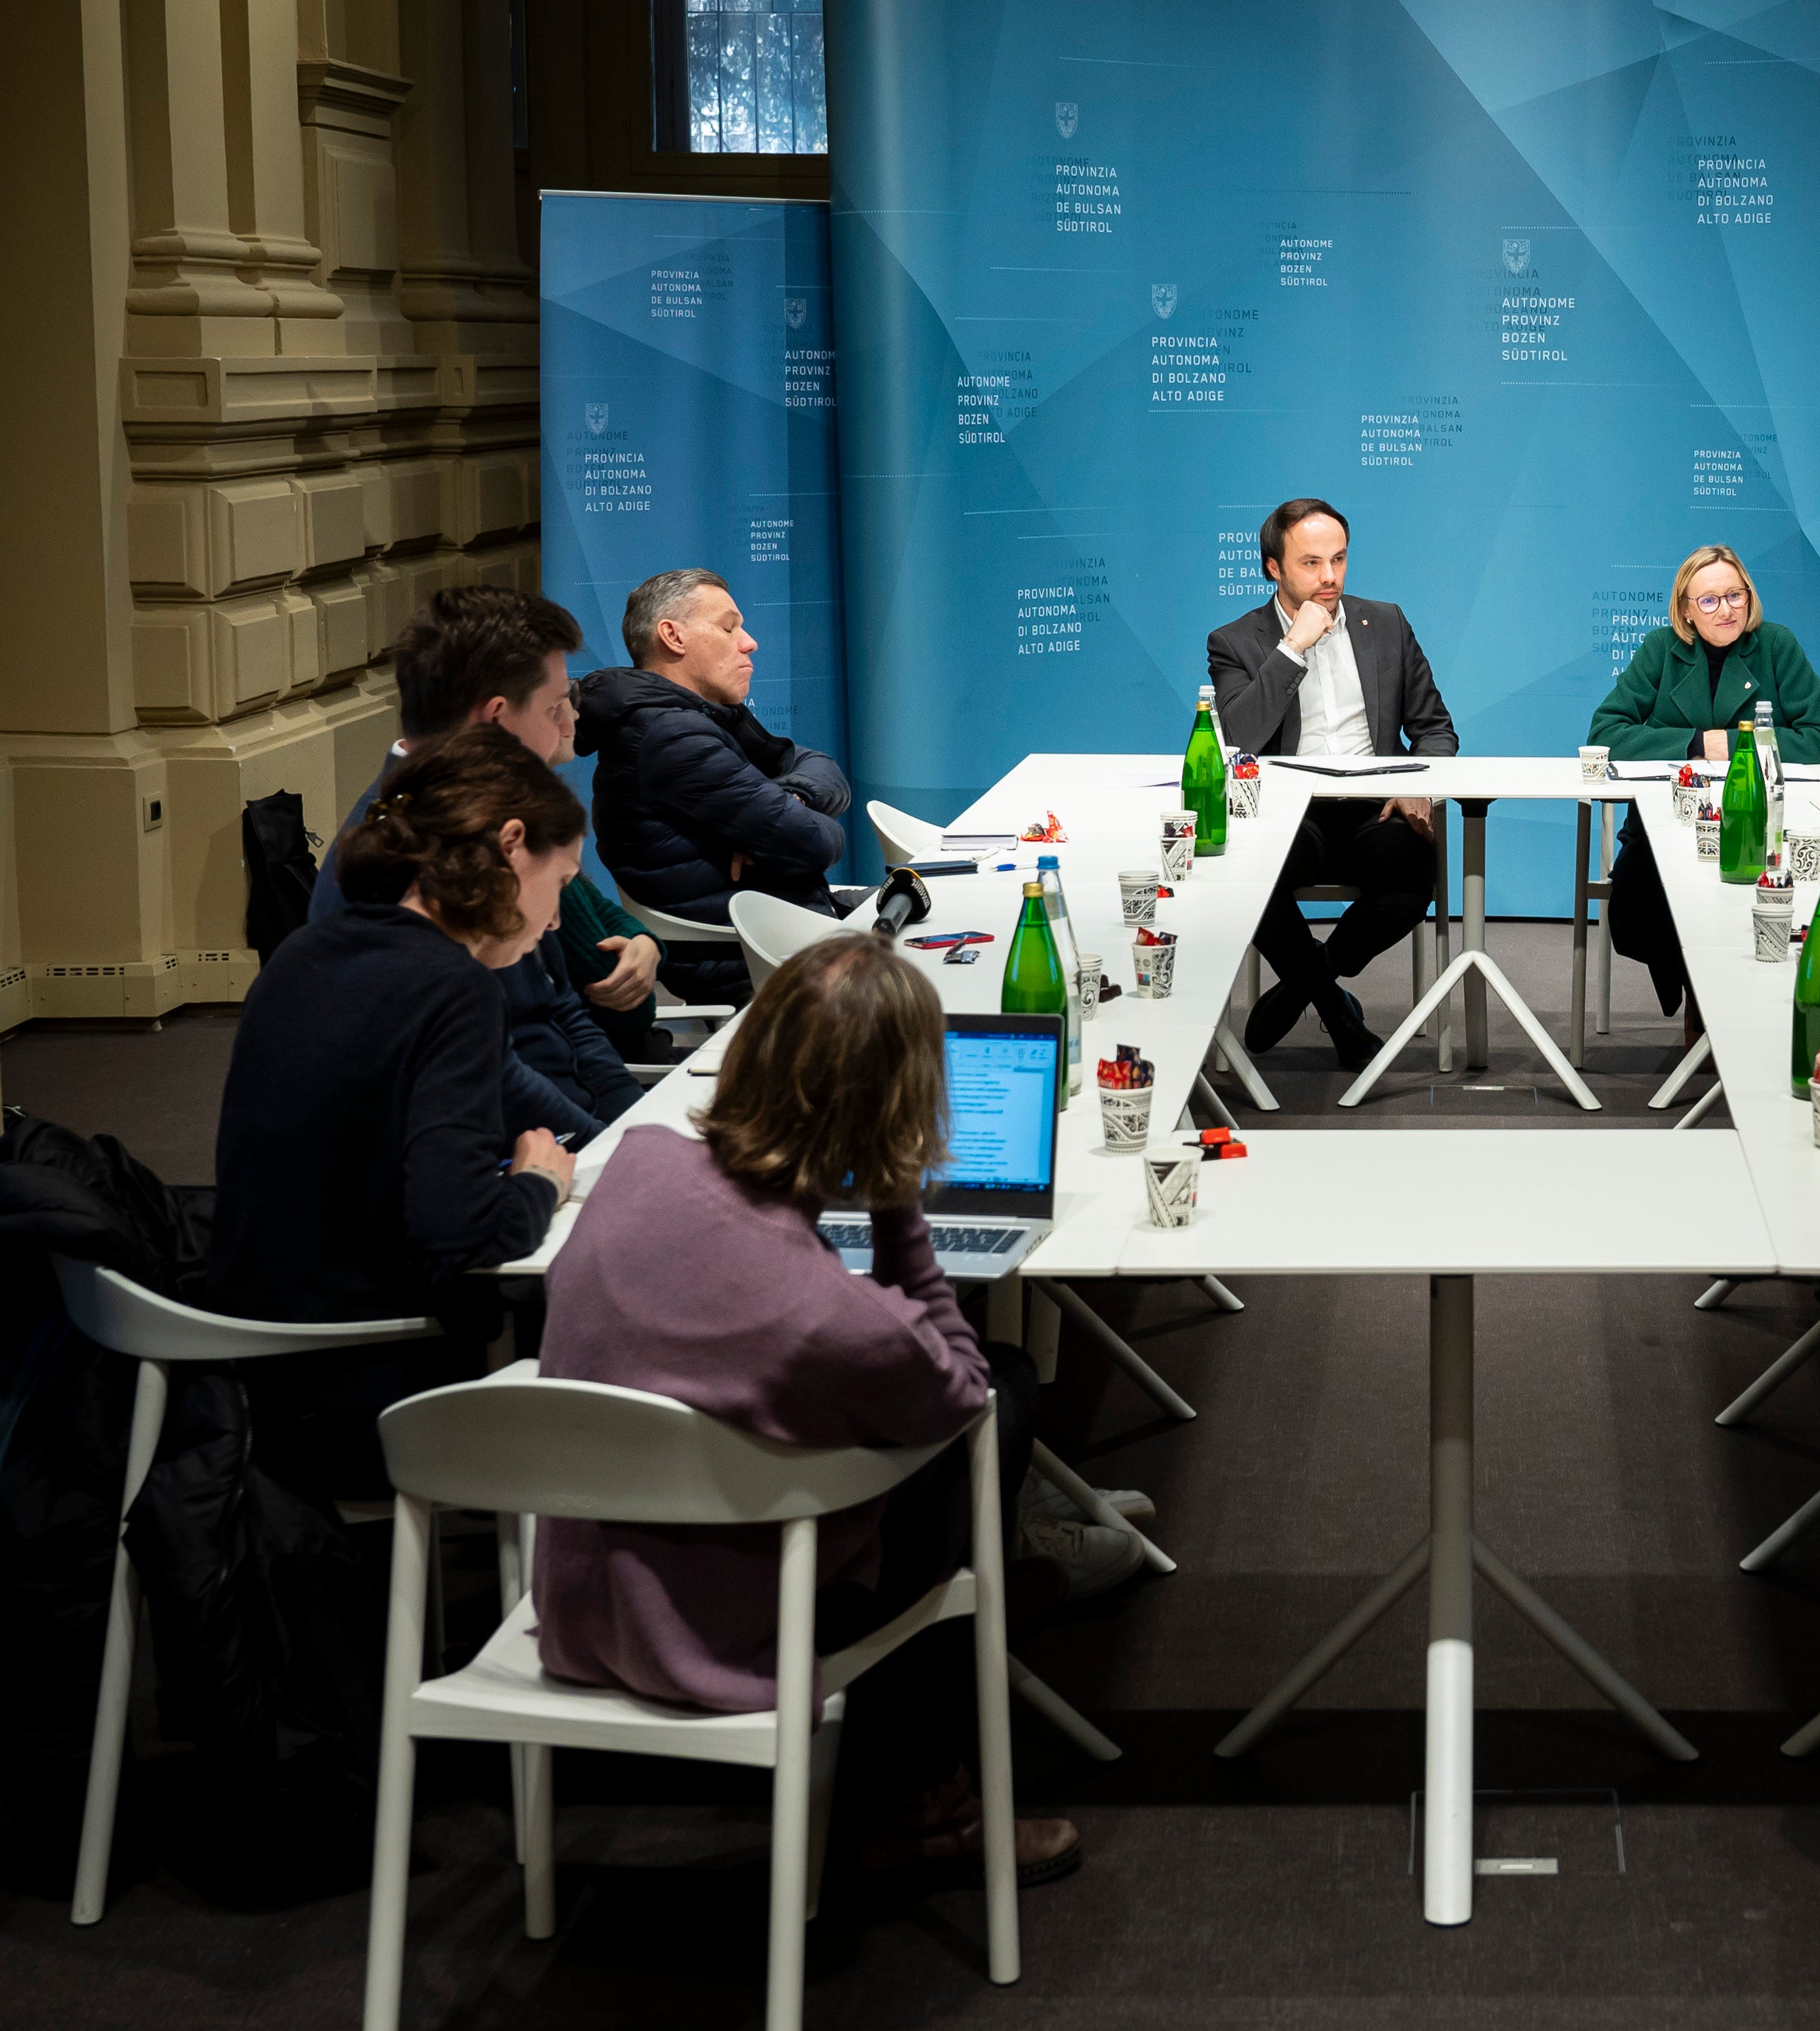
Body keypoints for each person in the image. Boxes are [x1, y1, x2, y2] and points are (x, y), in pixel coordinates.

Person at [535, 933, 1129, 1885]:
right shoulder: (830, 1317)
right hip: (722, 1634)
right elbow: (957, 1385)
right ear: (898, 1115)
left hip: (582, 1601)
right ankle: (923, 1803)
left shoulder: (639, 1163)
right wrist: (898, 1205)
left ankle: (991, 1592)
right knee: (1004, 1394)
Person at [202, 727, 582, 1499]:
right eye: (561, 883)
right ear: (513, 846)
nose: (553, 921)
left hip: (240, 1366)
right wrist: (539, 1182)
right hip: (364, 1383)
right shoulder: (454, 989)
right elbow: (461, 1232)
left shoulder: (304, 955)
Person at [313, 586, 653, 1143]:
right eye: (553, 707)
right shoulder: (395, 864)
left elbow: (559, 1004)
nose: (568, 724)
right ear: (496, 720)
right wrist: (618, 1152)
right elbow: (494, 1079)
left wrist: (636, 1126)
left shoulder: (491, 825)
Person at [1209, 498, 1458, 1067]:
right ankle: (1339, 1013)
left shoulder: (1386, 622)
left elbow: (1436, 729)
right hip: (1291, 812)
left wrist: (1418, 785)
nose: (1329, 577)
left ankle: (1307, 984)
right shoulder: (1235, 641)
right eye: (1311, 563)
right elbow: (1241, 735)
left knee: (1413, 874)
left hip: (1377, 805)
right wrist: (1292, 647)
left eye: (1339, 560)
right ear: (1274, 567)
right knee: (1250, 877)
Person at [1586, 543, 1820, 1026]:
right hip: (1667, 824)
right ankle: (1702, 1008)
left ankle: (1729, 1017)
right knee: (1637, 905)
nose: (1725, 610)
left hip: (1761, 827)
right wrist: (1699, 744)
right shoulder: (1663, 649)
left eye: (1735, 596)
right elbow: (1606, 734)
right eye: (1709, 600)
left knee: (1744, 907)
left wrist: (1744, 743)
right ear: (1686, 609)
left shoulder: (1776, 646)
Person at [575, 568, 853, 998]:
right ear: (674, 637)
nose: (749, 642)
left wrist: (791, 796)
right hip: (757, 962)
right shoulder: (673, 737)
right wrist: (792, 817)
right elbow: (818, 845)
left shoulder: (702, 717)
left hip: (789, 932)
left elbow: (819, 766)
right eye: (729, 627)